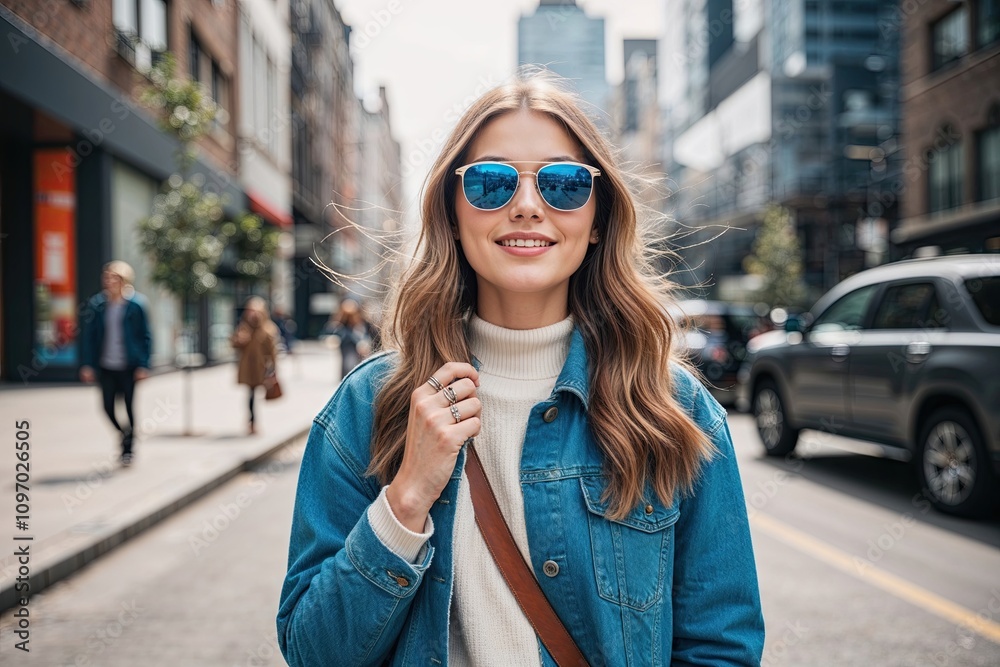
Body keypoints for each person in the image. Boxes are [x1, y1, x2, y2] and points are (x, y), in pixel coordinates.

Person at [277, 72, 765, 666]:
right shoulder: (369, 404)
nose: (528, 206)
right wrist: (405, 499)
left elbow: (720, 648)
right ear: (453, 214)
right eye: (491, 183)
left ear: (599, 220)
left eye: (563, 184)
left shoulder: (673, 410)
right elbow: (312, 653)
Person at [80, 260, 152, 467]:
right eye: (107, 277)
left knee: (129, 406)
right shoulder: (98, 304)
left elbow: (145, 336)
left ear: (123, 280)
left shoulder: (137, 304)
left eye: (114, 277)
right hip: (106, 365)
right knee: (107, 407)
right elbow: (90, 338)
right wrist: (87, 364)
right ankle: (125, 434)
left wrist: (143, 365)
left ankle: (128, 450)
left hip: (129, 365)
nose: (109, 281)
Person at [231, 296, 279, 435]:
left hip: (261, 368)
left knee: (259, 394)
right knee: (250, 395)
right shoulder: (244, 327)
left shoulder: (267, 329)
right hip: (248, 367)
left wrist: (273, 368)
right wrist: (239, 340)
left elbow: (273, 351)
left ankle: (253, 422)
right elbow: (235, 344)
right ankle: (252, 422)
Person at [320, 298, 377, 380]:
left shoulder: (365, 323)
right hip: (348, 348)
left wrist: (366, 345)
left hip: (364, 350)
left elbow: (373, 335)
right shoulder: (341, 324)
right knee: (349, 365)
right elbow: (331, 332)